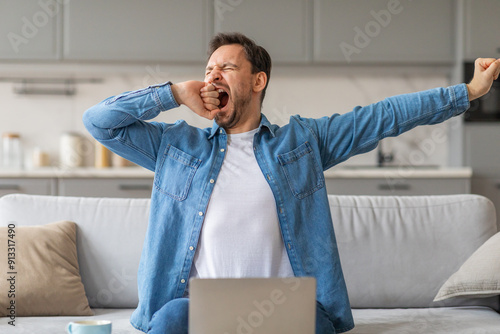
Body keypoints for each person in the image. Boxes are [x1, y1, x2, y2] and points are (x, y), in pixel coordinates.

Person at [83, 32, 500, 334]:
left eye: (226, 67)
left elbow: (384, 115)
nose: (212, 77)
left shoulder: (303, 143)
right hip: (195, 311)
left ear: (258, 81)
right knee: (170, 319)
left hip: (281, 312)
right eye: (208, 70)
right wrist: (173, 93)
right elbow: (99, 123)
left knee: (316, 325)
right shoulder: (176, 146)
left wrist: (468, 91)